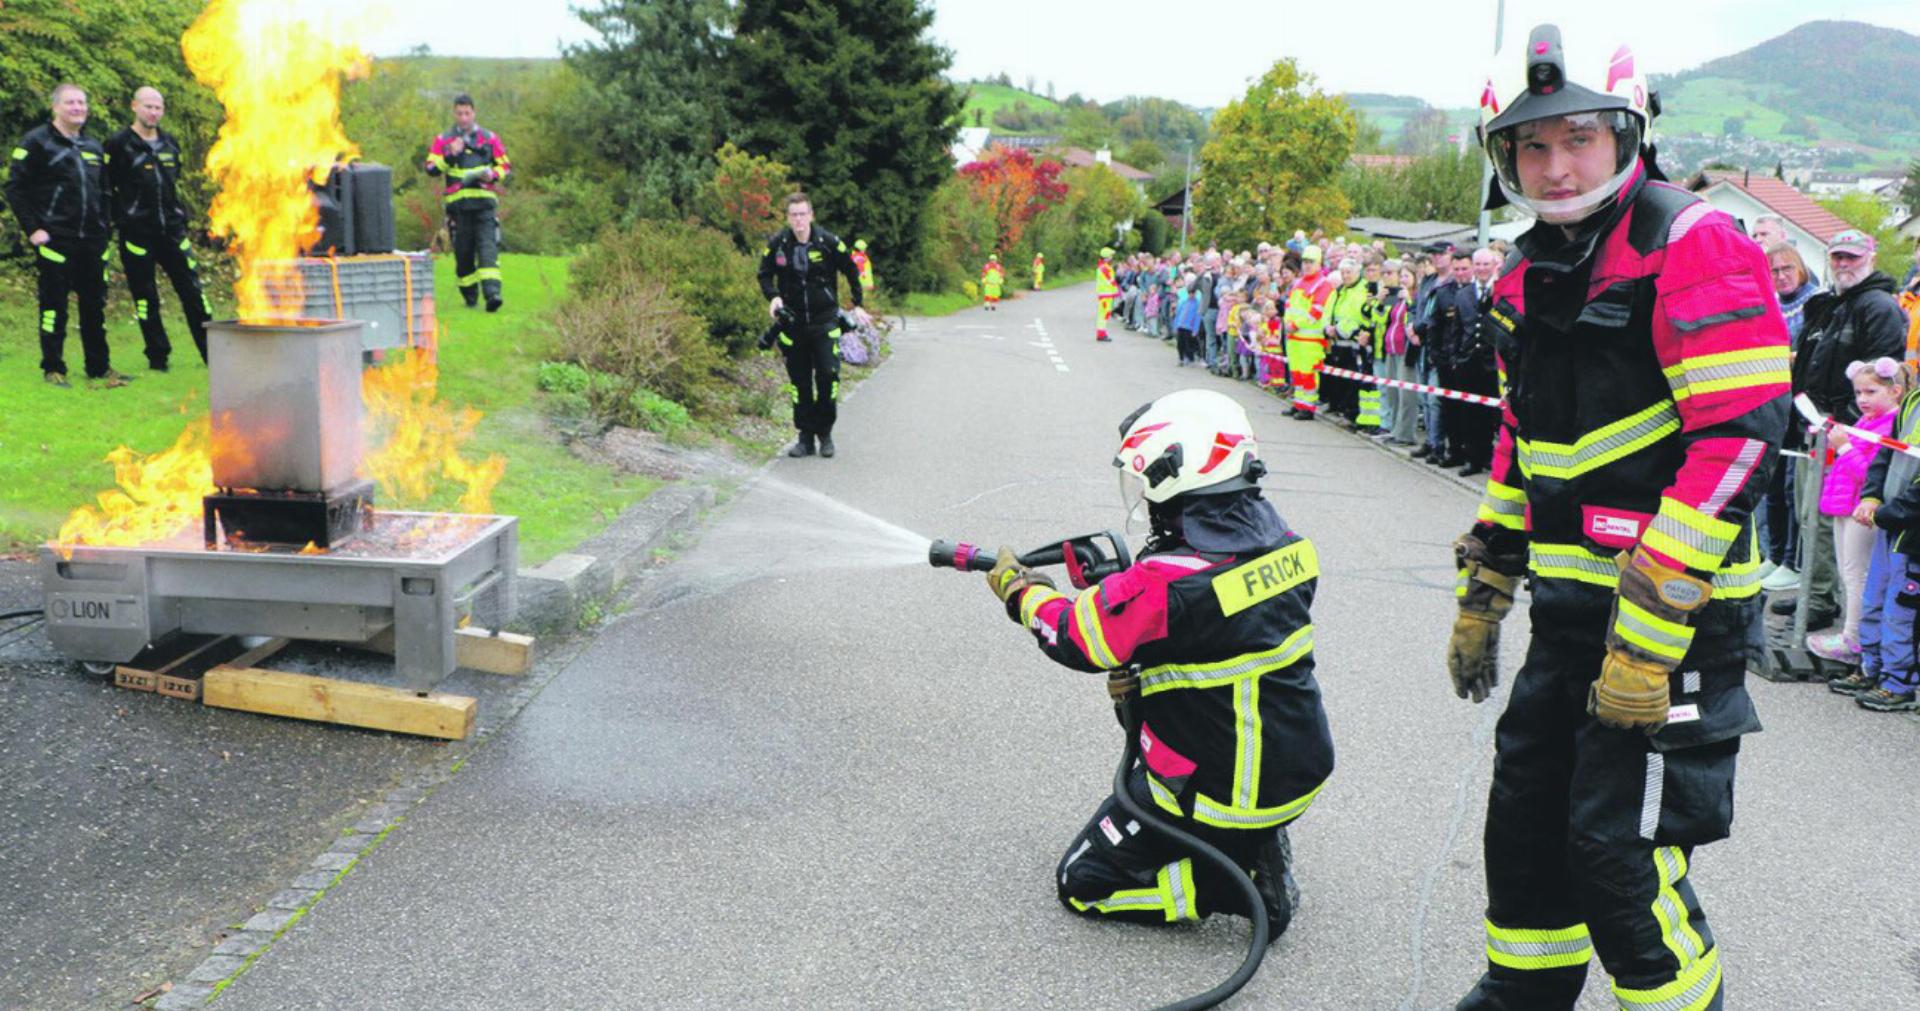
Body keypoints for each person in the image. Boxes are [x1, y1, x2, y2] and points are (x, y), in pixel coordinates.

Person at [1449, 26, 1789, 1010]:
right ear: (1503, 155)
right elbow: (1526, 442)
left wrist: (1645, 641)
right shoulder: (1523, 273)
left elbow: (1740, 440)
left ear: (1628, 133)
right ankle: (1526, 993)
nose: (1556, 168)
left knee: (1621, 856)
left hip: (1670, 625)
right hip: (1568, 610)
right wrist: (1485, 588)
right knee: (1523, 823)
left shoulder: (1692, 243)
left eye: (1579, 140)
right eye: (1532, 146)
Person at [985, 388, 1333, 937]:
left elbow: (1076, 637)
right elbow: (1217, 622)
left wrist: (1022, 594)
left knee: (1084, 882)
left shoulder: (1166, 584)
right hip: (1296, 770)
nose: (1145, 498)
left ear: (1178, 474)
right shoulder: (1292, 548)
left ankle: (1230, 888)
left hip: (1217, 794)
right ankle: (1255, 842)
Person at [1779, 230, 1909, 632]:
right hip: (1814, 427)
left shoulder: (1878, 306)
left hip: (1846, 435)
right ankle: (1813, 592)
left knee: (1827, 518)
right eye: (1836, 257)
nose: (1842, 265)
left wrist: (1848, 428)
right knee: (1808, 515)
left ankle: (1821, 602)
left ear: (1869, 257)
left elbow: (1880, 376)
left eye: (1850, 257)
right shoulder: (1830, 305)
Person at [6, 83, 128, 388]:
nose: (78, 108)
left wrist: (106, 228)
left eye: (82, 103)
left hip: (92, 240)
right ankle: (53, 367)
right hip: (55, 241)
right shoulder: (36, 143)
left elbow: (104, 191)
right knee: (54, 307)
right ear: (56, 107)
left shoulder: (92, 147)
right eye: (71, 103)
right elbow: (15, 189)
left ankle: (99, 367)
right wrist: (33, 229)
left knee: (94, 308)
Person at [105, 86, 211, 371]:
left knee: (193, 293)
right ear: (134, 107)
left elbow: (173, 184)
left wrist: (180, 218)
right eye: (148, 106)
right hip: (137, 235)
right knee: (145, 297)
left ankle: (212, 353)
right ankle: (158, 356)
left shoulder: (170, 143)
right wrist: (122, 219)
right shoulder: (118, 144)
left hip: (172, 233)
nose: (153, 112)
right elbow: (106, 188)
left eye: (158, 108)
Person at [758, 192, 868, 459]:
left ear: (811, 215)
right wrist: (773, 297)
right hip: (793, 325)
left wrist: (857, 303)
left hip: (825, 322)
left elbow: (851, 270)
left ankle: (825, 433)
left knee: (828, 377)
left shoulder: (828, 242)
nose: (798, 220)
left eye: (802, 214)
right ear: (788, 217)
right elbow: (764, 274)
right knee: (800, 383)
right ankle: (805, 438)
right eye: (793, 215)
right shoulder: (778, 244)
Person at [1809, 358, 1904, 664]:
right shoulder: (1865, 422)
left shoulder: (1891, 426)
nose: (1862, 399)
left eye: (1871, 391)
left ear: (1896, 391)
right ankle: (1855, 635)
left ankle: (1855, 640)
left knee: (1857, 575)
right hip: (1846, 506)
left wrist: (1845, 448)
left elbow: (1872, 475)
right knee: (1848, 573)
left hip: (1861, 511)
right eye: (1858, 392)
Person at [1845, 362, 1920, 711]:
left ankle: (1899, 681)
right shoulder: (1911, 402)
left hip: (1910, 531)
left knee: (1901, 610)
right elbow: (1885, 455)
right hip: (1890, 525)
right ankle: (1872, 667)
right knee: (1875, 597)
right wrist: (1872, 496)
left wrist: (1889, 513)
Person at [424, 93, 511, 311]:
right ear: (454, 113)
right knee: (463, 255)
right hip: (458, 208)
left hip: (484, 205)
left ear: (474, 112)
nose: (463, 118)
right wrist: (450, 154)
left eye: (467, 113)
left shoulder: (489, 138)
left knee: (487, 250)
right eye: (459, 113)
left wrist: (491, 175)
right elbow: (431, 169)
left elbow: (505, 166)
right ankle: (470, 296)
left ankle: (493, 295)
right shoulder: (443, 139)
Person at [1282, 245, 1333, 420]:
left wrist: (1295, 324)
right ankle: (1299, 403)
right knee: (1296, 372)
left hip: (1310, 339)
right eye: (1304, 262)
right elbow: (1289, 306)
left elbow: (1316, 312)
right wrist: (1288, 323)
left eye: (1310, 262)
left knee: (1308, 374)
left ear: (1319, 263)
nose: (1307, 265)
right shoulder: (1299, 283)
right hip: (1295, 337)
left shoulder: (1323, 285)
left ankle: (1308, 407)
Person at [1095, 246, 1118, 342]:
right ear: (1107, 257)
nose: (1112, 258)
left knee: (1103, 314)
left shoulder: (1103, 267)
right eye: (1111, 256)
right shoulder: (1105, 268)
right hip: (1106, 295)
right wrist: (1116, 289)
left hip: (1105, 295)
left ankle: (1101, 333)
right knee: (1104, 315)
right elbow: (1111, 281)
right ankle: (1101, 334)